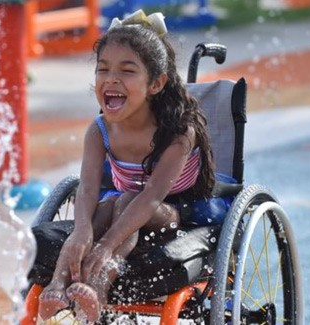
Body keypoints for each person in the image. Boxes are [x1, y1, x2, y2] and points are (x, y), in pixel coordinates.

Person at [37, 9, 216, 322]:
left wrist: (105, 246)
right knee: (103, 209)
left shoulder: (179, 132)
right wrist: (81, 233)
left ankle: (99, 285)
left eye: (127, 70)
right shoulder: (99, 130)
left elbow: (152, 197)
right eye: (102, 69)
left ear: (156, 84)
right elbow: (88, 187)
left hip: (174, 209)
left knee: (128, 201)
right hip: (123, 202)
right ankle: (56, 286)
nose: (111, 79)